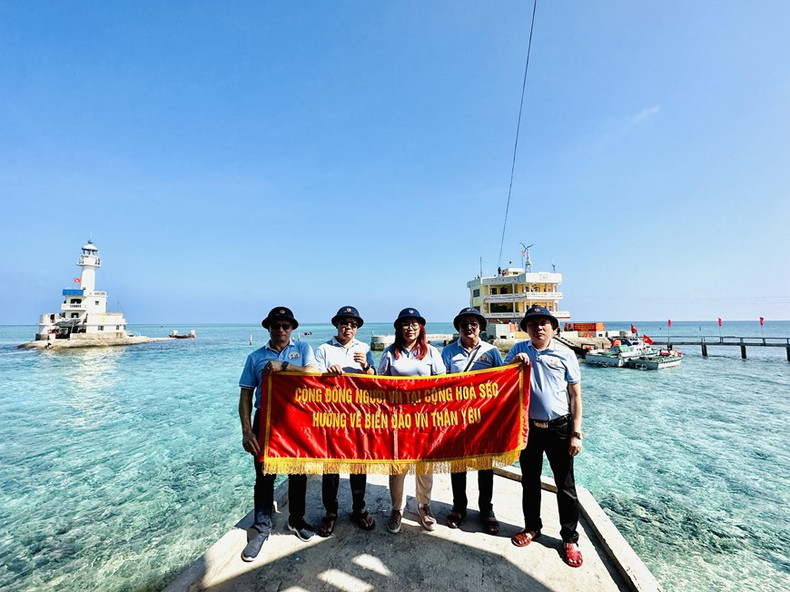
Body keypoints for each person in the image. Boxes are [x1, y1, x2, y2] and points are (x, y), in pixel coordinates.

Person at [504, 305, 584, 567]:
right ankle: (532, 527)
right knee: (530, 481)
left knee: (566, 486)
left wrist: (576, 433)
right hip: (529, 428)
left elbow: (575, 396)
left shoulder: (566, 354)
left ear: (553, 327)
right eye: (533, 323)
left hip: (560, 428)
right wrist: (514, 364)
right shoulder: (518, 350)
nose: (538, 327)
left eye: (544, 323)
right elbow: (501, 381)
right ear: (526, 328)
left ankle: (570, 538)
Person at [238, 306, 319, 562]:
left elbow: (315, 375)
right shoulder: (254, 357)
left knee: (298, 473)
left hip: (297, 419)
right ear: (268, 329)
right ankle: (261, 527)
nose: (281, 330)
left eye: (286, 326)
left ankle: (296, 520)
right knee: (264, 474)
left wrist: (283, 366)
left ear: (292, 328)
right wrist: (246, 430)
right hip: (265, 418)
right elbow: (246, 395)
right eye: (276, 326)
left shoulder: (303, 350)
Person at [378, 307, 446, 534]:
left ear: (421, 328)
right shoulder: (389, 353)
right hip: (397, 421)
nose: (410, 328)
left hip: (424, 419)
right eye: (406, 324)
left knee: (424, 465)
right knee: (398, 467)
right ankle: (397, 508)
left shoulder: (432, 353)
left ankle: (424, 506)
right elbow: (379, 386)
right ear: (399, 328)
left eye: (414, 324)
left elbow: (443, 384)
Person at [314, 306, 376, 536]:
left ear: (357, 327)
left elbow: (374, 380)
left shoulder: (364, 348)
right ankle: (331, 512)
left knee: (358, 465)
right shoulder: (323, 349)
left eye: (352, 323)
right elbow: (312, 381)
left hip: (358, 414)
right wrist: (326, 374)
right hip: (332, 415)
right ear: (336, 325)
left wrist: (366, 366)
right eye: (343, 323)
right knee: (330, 466)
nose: (347, 327)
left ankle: (359, 508)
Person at [441, 307, 504, 534]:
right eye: (465, 323)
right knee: (458, 465)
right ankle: (459, 506)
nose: (469, 327)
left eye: (474, 323)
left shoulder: (492, 352)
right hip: (456, 419)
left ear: (480, 327)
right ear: (459, 327)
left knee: (485, 467)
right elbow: (439, 385)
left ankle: (486, 509)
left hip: (483, 421)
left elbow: (502, 382)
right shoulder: (447, 353)